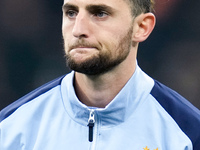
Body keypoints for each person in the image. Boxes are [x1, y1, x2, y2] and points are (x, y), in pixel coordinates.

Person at [0, 0, 200, 149]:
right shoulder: (11, 129)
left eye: (100, 13)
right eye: (71, 13)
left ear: (141, 27)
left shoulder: (188, 133)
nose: (78, 30)